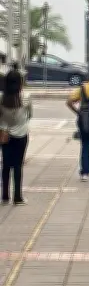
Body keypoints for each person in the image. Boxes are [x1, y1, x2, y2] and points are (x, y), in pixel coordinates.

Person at [0, 70, 31, 205]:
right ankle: (17, 196)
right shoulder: (26, 97)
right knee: (18, 165)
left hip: (4, 134)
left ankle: (5, 195)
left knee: (5, 164)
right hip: (21, 134)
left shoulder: (1, 98)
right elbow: (30, 115)